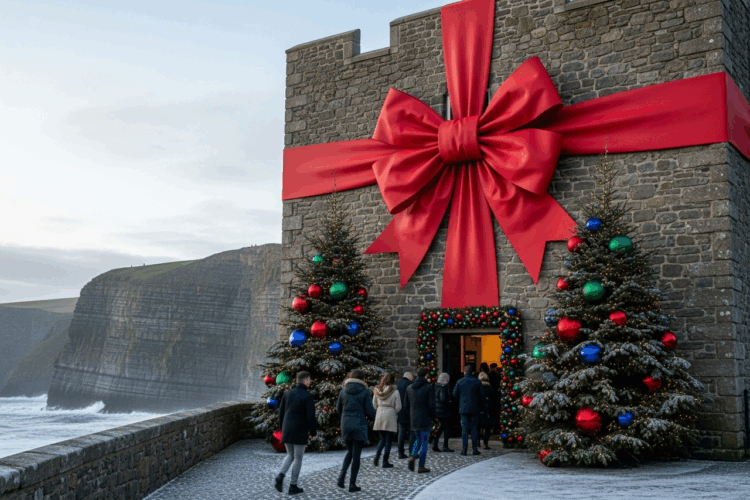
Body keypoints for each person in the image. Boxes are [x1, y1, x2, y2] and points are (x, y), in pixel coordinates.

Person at [275, 371, 317, 495]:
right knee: (298, 457)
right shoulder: (308, 396)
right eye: (309, 380)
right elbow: (310, 416)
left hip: (287, 429)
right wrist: (313, 431)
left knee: (290, 455)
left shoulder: (287, 394)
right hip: (300, 429)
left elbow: (281, 413)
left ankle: (280, 476)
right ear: (305, 381)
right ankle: (293, 485)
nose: (310, 382)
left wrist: (282, 429)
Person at [336, 369, 376, 493]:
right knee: (356, 454)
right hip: (359, 424)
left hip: (346, 424)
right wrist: (373, 417)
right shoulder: (364, 391)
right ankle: (352, 484)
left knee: (349, 451)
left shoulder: (343, 391)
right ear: (362, 379)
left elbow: (338, 409)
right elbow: (370, 410)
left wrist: (344, 418)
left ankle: (341, 478)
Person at [404, 367, 436, 473]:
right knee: (424, 443)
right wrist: (433, 417)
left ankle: (413, 456)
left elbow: (406, 405)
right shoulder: (428, 387)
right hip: (425, 417)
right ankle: (421, 466)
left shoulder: (409, 388)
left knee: (417, 439)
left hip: (414, 417)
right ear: (426, 375)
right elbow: (431, 405)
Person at [452, 364, 484, 456]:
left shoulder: (459, 381)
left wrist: (461, 400)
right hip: (475, 408)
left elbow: (454, 395)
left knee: (464, 430)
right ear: (472, 372)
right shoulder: (477, 382)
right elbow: (482, 395)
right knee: (474, 429)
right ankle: (474, 449)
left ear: (464, 371)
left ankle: (464, 449)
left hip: (463, 408)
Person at [372, 372, 402, 468]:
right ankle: (385, 461)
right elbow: (398, 406)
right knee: (388, 440)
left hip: (380, 413)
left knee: (382, 439)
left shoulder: (377, 390)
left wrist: (380, 408)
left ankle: (377, 457)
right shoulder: (395, 391)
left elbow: (374, 404)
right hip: (390, 414)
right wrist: (394, 411)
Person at [433, 372, 453, 452]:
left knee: (441, 427)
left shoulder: (435, 385)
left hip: (437, 410)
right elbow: (443, 398)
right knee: (446, 428)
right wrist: (449, 401)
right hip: (443, 410)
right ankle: (445, 446)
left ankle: (435, 444)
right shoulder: (443, 387)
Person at [396, 371, 415, 459]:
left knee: (401, 432)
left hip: (400, 411)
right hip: (410, 411)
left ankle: (400, 452)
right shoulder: (411, 384)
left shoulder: (397, 384)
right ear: (409, 377)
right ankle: (412, 451)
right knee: (412, 432)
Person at [478, 371, 497, 450]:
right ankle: (485, 443)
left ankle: (477, 442)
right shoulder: (489, 387)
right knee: (487, 428)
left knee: (477, 427)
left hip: (479, 409)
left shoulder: (477, 387)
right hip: (488, 410)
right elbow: (493, 398)